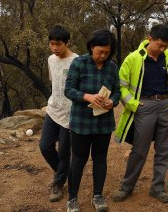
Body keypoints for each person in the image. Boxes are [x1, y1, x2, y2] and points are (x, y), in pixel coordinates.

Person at [112, 24, 168, 204]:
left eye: (166, 46)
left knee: (164, 150)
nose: (162, 49)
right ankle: (126, 187)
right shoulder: (133, 58)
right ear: (149, 38)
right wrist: (134, 105)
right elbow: (121, 85)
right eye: (159, 45)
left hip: (166, 105)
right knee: (139, 150)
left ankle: (157, 188)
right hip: (144, 106)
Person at [64, 29, 121, 212]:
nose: (103, 56)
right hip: (81, 121)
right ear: (91, 47)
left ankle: (98, 195)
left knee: (100, 158)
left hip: (103, 122)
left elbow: (118, 91)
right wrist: (87, 97)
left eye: (106, 52)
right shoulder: (79, 63)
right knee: (78, 160)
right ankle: (72, 198)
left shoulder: (112, 67)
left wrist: (113, 101)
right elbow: (69, 90)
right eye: (99, 52)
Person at [39, 25, 78, 202]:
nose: (54, 48)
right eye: (51, 44)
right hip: (53, 110)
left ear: (67, 43)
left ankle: (58, 182)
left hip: (71, 114)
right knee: (45, 146)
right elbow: (53, 82)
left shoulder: (77, 61)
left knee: (64, 151)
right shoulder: (51, 60)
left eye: (58, 44)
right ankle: (66, 172)